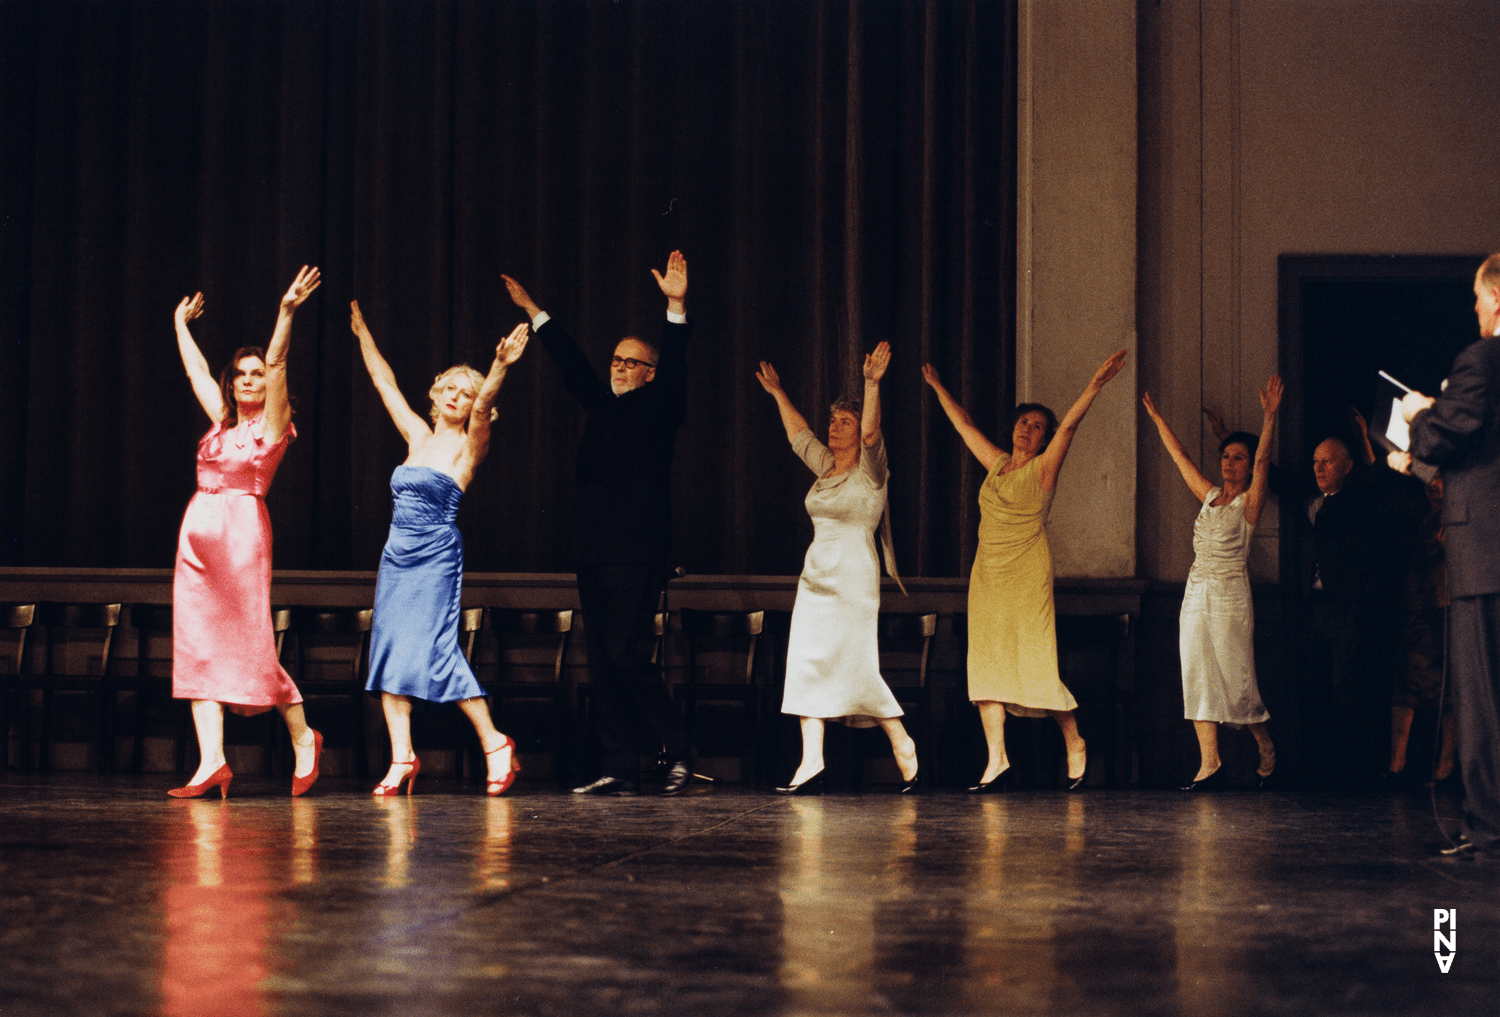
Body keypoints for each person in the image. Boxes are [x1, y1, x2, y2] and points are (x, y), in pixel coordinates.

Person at [502, 252, 694, 796]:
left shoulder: (661, 404)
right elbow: (572, 364)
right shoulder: (602, 407)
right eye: (616, 359)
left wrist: (675, 306)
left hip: (637, 551)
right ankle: (620, 764)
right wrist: (534, 310)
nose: (618, 367)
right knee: (603, 661)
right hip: (592, 548)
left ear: (650, 373)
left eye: (631, 362)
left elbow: (677, 362)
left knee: (625, 653)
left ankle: (677, 748)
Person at [922, 350, 1128, 792]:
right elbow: (964, 425)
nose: (1028, 429)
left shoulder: (1043, 468)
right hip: (988, 575)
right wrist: (938, 387)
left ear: (1043, 439)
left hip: (1027, 573)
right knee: (986, 664)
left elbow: (1069, 427)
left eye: (1037, 426)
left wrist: (1095, 384)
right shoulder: (997, 463)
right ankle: (997, 759)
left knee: (1035, 664)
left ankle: (1074, 741)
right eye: (1024, 422)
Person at [350, 301, 531, 797]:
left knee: (436, 649)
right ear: (435, 393)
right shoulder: (417, 435)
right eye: (450, 388)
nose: (457, 396)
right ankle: (402, 757)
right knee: (389, 651)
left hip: (434, 556)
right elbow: (384, 383)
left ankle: (495, 742)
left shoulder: (470, 446)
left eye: (466, 393)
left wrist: (499, 366)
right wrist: (364, 335)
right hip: (396, 557)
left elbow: (487, 401)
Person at [167, 267, 323, 799]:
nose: (250, 380)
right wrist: (180, 326)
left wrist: (286, 312)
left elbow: (278, 362)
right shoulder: (221, 422)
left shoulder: (272, 425)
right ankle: (211, 761)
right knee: (197, 646)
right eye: (241, 374)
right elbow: (196, 372)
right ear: (231, 383)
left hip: (241, 540)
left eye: (256, 374)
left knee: (252, 647)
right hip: (197, 541)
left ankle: (304, 737)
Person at [754, 343, 919, 795]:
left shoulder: (872, 471)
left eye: (845, 421)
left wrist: (871, 384)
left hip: (853, 579)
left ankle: (900, 739)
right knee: (805, 663)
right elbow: (799, 435)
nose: (835, 426)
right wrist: (778, 393)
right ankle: (812, 760)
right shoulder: (825, 465)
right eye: (834, 420)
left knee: (855, 666)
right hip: (815, 579)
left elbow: (872, 433)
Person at [1401, 252, 1500, 859]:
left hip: (1486, 552)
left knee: (1482, 696)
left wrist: (1421, 414)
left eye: (1479, 298)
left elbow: (1442, 438)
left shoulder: (1483, 358)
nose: (1476, 308)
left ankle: (1489, 826)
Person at [1142, 377, 1281, 790]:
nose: (1229, 462)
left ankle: (1264, 743)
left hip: (1229, 596)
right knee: (1196, 672)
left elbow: (1263, 462)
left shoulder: (1248, 503)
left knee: (1236, 679)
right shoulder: (1208, 496)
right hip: (1195, 594)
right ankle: (1209, 762)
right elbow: (1181, 457)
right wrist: (1157, 419)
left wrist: (1270, 417)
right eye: (1226, 455)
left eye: (1238, 458)